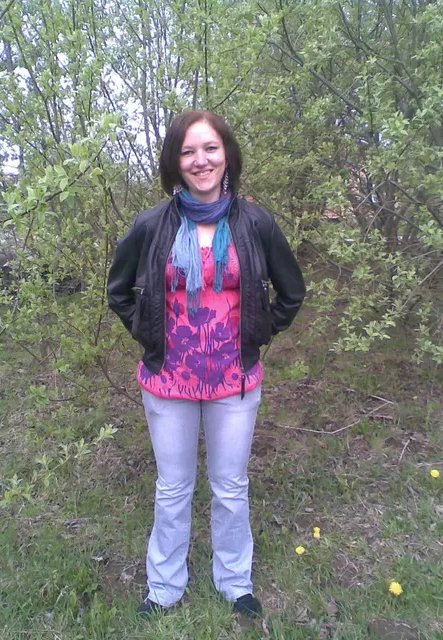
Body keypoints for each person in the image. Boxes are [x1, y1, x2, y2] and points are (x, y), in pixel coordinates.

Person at [107, 111, 306, 618]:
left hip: (234, 381)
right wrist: (148, 334)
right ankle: (164, 587)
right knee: (173, 488)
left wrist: (259, 333)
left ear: (227, 155)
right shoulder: (151, 225)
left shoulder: (255, 223)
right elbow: (119, 291)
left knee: (230, 487)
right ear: (175, 162)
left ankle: (235, 582)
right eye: (188, 151)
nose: (201, 160)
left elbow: (291, 291)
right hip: (168, 380)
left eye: (211, 148)